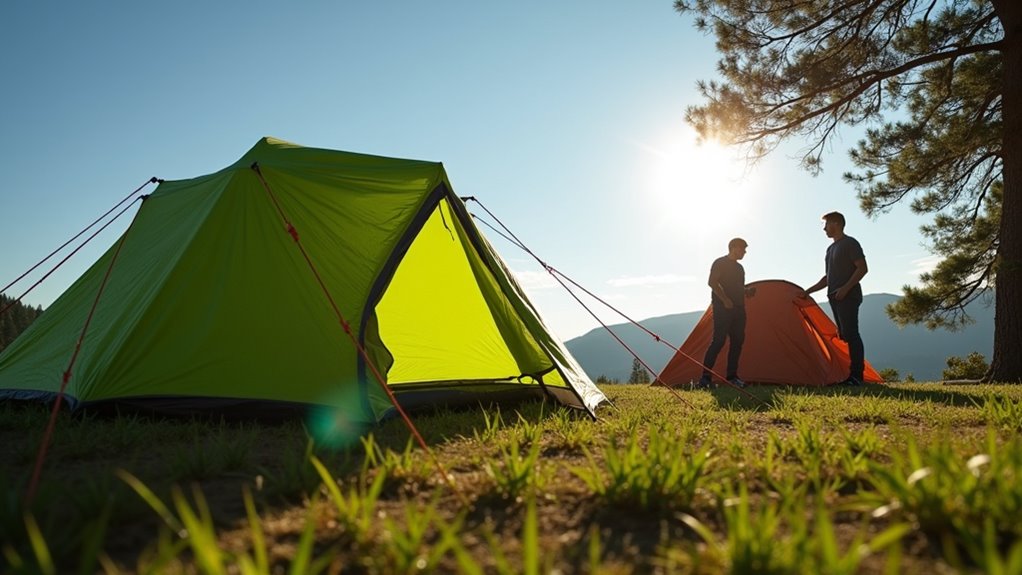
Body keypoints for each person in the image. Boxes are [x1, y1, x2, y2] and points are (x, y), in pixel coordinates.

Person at [801, 211, 868, 386]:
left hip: (848, 296)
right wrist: (808, 291)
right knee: (844, 335)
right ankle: (850, 375)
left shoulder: (850, 243)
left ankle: (856, 376)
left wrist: (845, 288)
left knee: (851, 334)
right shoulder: (830, 249)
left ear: (836, 224)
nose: (824, 229)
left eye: (827, 224)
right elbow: (828, 278)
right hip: (835, 298)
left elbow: (862, 268)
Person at [697, 238, 755, 388]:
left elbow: (737, 287)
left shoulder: (740, 268)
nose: (744, 252)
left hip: (739, 309)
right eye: (743, 249)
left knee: (737, 342)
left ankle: (732, 377)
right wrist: (724, 299)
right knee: (718, 341)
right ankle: (705, 378)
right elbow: (712, 282)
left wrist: (746, 291)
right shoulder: (720, 263)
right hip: (722, 308)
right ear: (733, 248)